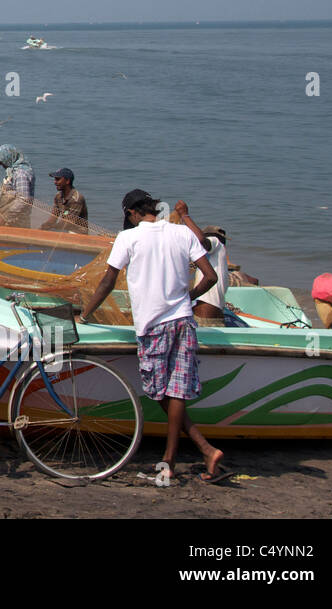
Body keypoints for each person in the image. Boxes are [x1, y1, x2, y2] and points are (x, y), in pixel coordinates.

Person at [81, 189, 226, 484]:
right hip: (183, 321)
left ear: (133, 214)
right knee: (175, 392)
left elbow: (108, 280)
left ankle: (175, 460)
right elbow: (211, 277)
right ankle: (199, 451)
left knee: (158, 390)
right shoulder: (181, 233)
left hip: (153, 324)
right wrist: (187, 296)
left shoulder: (129, 238)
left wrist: (84, 315)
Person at [172, 203, 228, 325]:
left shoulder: (216, 242)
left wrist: (185, 216)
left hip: (204, 318)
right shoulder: (215, 260)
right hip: (213, 317)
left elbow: (202, 240)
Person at [0, 143, 34, 229]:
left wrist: (5, 217)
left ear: (8, 158)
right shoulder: (12, 172)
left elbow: (24, 199)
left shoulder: (21, 174)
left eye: (1, 161)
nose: (0, 164)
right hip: (7, 217)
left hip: (16, 221)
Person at [38, 167, 88, 233]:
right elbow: (53, 218)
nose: (55, 182)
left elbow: (69, 222)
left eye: (58, 179)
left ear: (67, 181)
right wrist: (42, 228)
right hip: (64, 230)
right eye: (55, 179)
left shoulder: (76, 199)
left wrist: (52, 228)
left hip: (78, 232)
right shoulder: (58, 197)